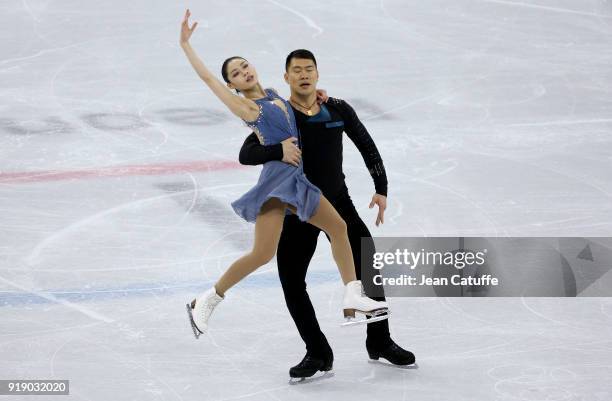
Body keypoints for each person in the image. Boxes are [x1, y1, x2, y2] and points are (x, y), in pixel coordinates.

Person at [178, 10, 389, 339]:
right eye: (235, 74)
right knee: (267, 252)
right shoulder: (250, 108)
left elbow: (304, 105)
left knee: (334, 228)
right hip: (278, 185)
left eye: (244, 65)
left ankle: (352, 295)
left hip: (297, 182)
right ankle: (207, 300)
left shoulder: (274, 96)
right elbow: (209, 81)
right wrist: (186, 46)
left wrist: (325, 97)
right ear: (232, 85)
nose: (243, 73)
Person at [239, 49, 416, 378]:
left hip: (338, 202)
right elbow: (247, 153)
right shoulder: (280, 117)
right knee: (292, 281)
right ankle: (317, 351)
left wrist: (381, 188)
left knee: (368, 265)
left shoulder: (337, 109)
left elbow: (366, 144)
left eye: (309, 69)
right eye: (297, 70)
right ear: (287, 77)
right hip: (297, 209)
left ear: (317, 74)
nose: (303, 74)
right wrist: (277, 149)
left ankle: (380, 340)